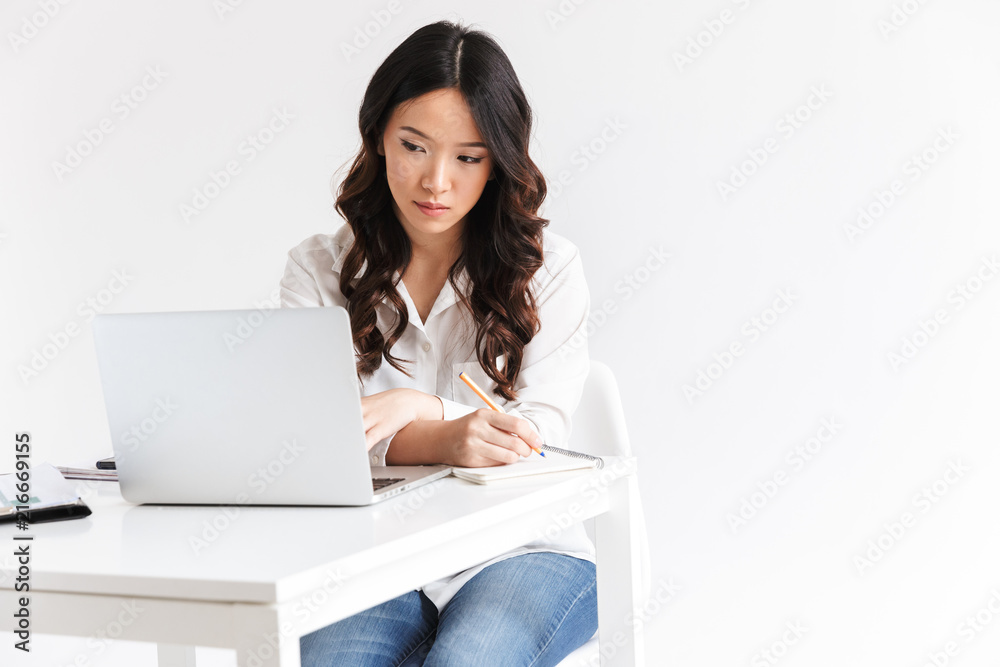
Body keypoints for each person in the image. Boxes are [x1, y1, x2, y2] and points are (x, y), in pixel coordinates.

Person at [279, 19, 595, 667]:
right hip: (373, 556)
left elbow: (536, 443)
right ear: (377, 138)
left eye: (468, 157)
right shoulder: (317, 269)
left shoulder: (550, 269)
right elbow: (312, 447)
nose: (437, 182)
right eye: (415, 146)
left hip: (526, 549)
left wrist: (419, 409)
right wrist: (447, 433)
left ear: (499, 161)